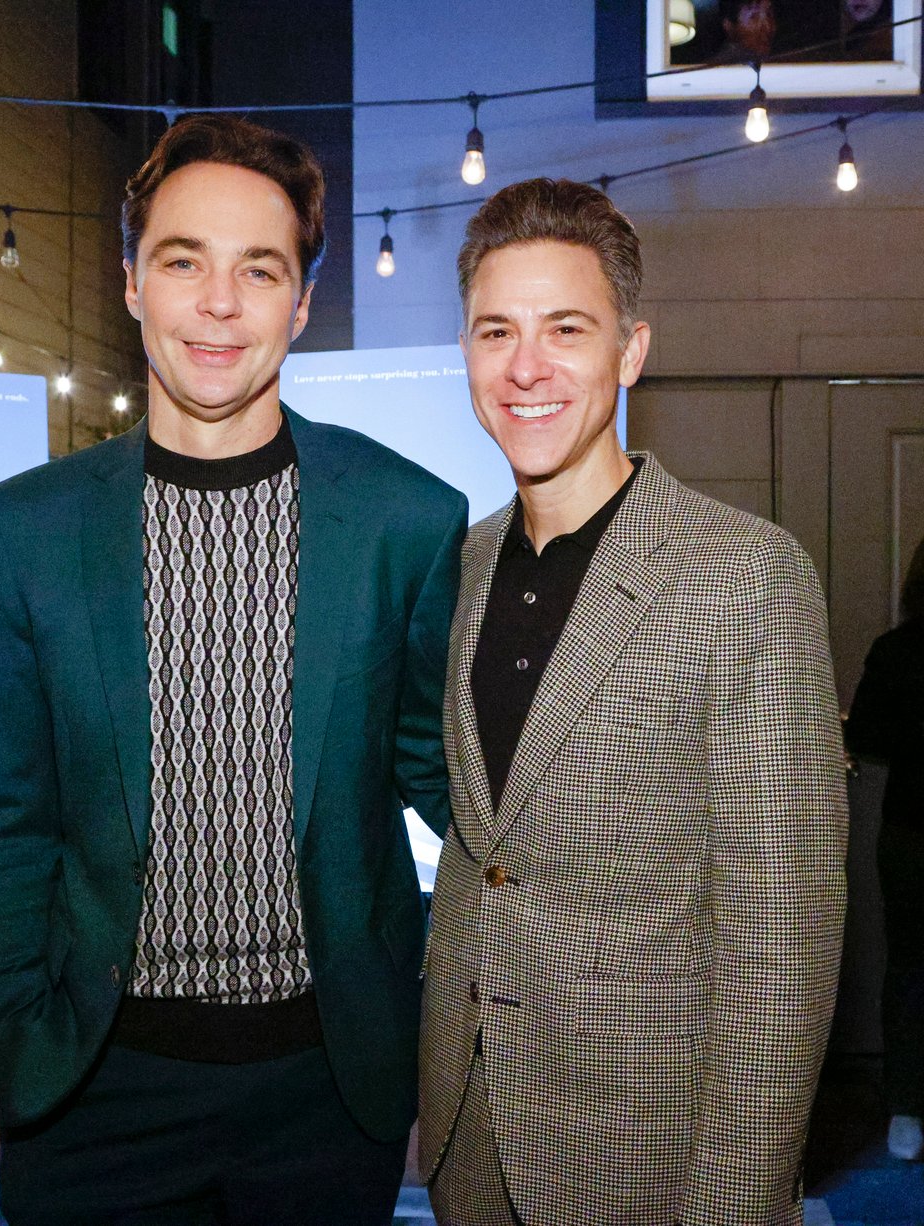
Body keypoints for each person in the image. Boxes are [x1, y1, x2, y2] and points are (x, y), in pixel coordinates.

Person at [0, 112, 467, 1225]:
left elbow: (455, 785)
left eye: (260, 268)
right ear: (133, 278)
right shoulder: (34, 524)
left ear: (301, 300)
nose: (220, 303)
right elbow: (11, 814)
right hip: (91, 1092)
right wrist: (9, 1027)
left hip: (325, 1094)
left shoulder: (405, 518)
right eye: (185, 260)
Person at [418, 178, 849, 1226]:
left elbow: (779, 942)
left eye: (566, 328)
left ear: (630, 350)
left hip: (647, 1150)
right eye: (495, 331)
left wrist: (737, 1201)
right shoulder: (467, 561)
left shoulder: (745, 575)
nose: (525, 367)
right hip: (471, 1134)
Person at [845, 536, 924, 1162]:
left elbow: (869, 734)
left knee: (909, 970)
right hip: (912, 830)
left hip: (912, 828)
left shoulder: (897, 652)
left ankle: (906, 1109)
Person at [711, 0, 777, 63]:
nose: (768, 27)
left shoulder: (777, 64)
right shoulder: (721, 70)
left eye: (769, 15)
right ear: (729, 26)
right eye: (754, 17)